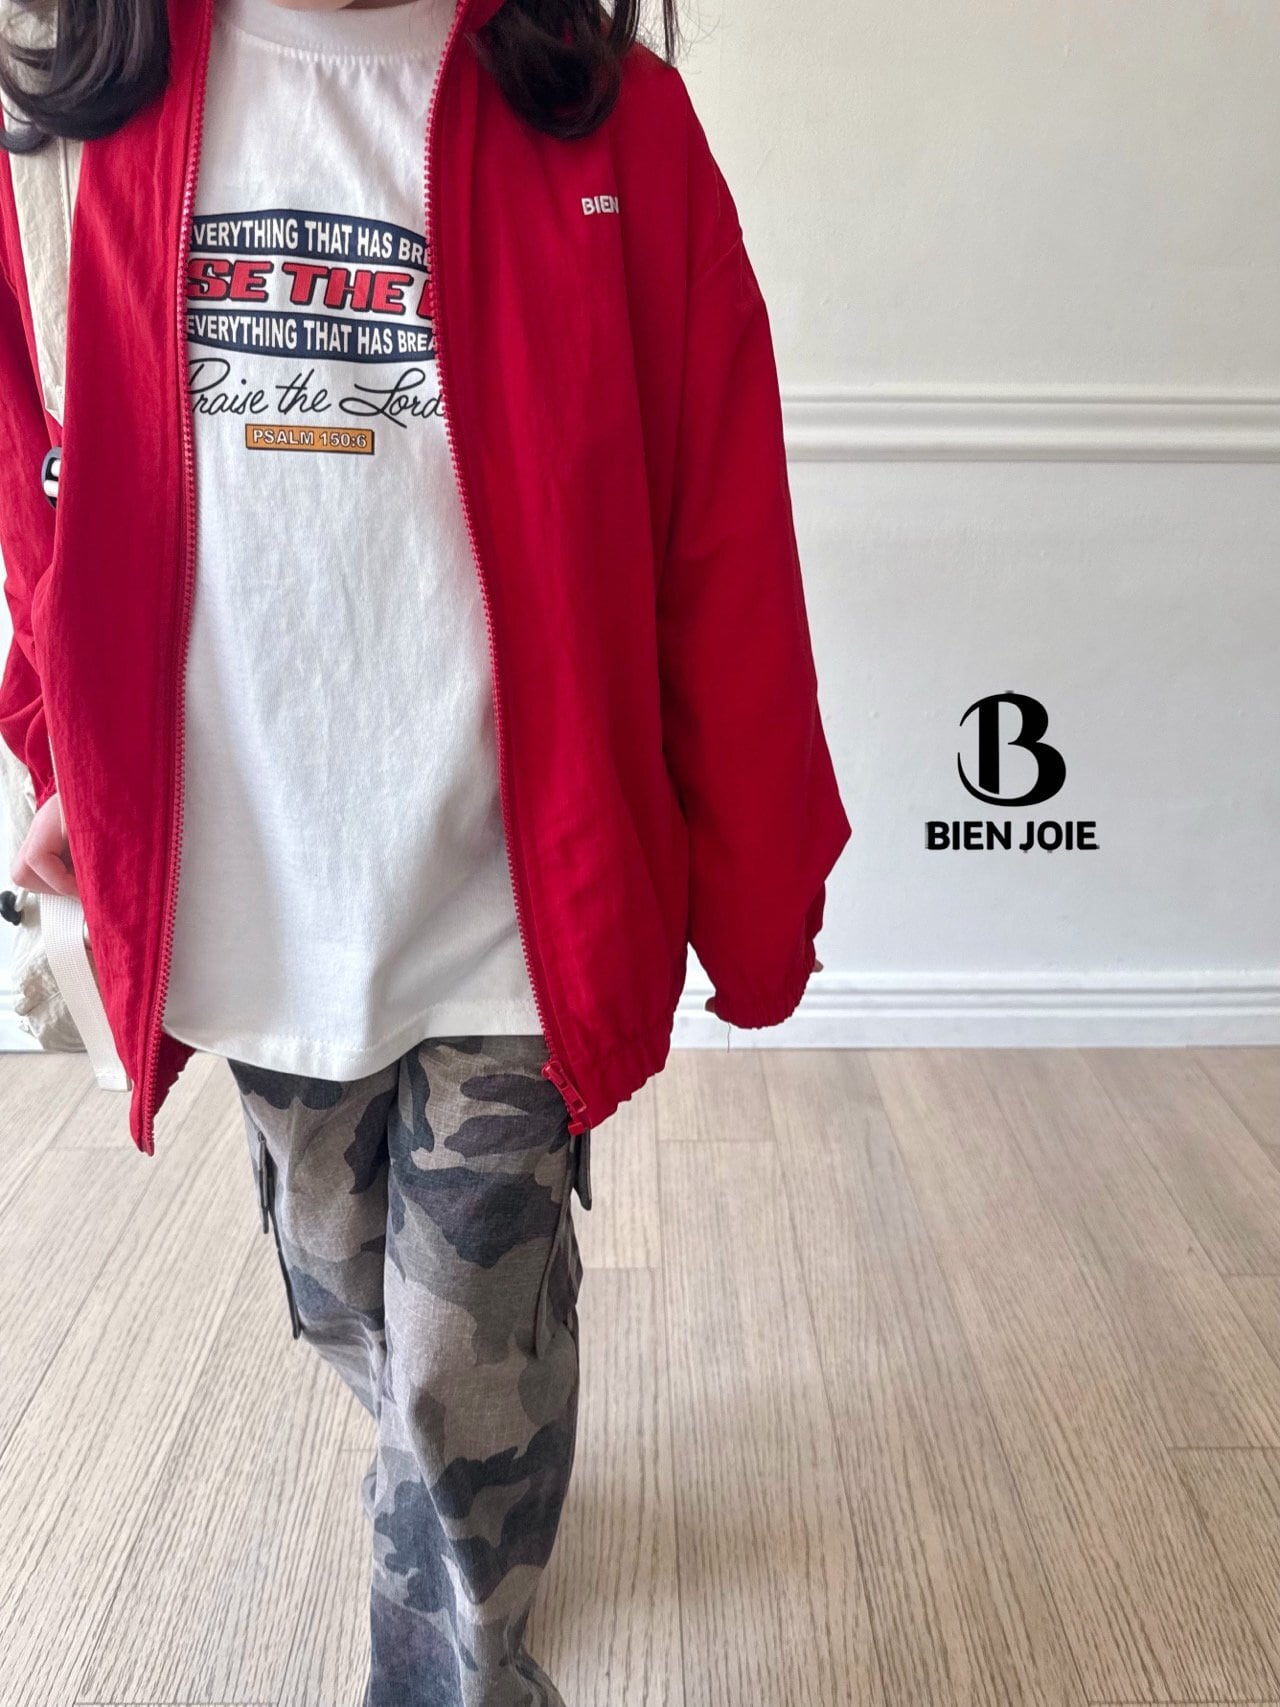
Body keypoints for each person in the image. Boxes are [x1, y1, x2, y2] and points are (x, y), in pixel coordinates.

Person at [0, 0, 851, 1698]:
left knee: (455, 1369)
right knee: (344, 1298)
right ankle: (486, 1432)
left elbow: (719, 530)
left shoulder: (616, 128)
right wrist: (64, 747)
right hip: (256, 888)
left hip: (513, 884)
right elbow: (40, 491)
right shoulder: (69, 122)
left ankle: (465, 1616)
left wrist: (760, 895)